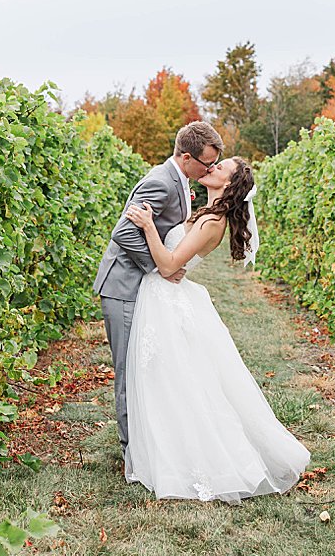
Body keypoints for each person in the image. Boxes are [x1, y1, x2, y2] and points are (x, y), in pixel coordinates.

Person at [120, 156, 311, 503]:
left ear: (229, 184)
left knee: (182, 384)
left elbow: (168, 266)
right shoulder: (202, 211)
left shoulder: (212, 222)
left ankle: (197, 461)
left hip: (167, 296)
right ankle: (167, 450)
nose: (212, 168)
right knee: (168, 383)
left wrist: (148, 226)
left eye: (220, 168)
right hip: (163, 299)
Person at [93, 121, 224, 456]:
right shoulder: (159, 182)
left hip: (145, 288)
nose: (209, 169)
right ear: (185, 157)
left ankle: (148, 444)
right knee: (127, 371)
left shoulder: (180, 182)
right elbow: (123, 233)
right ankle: (131, 453)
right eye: (206, 163)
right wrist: (159, 268)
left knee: (146, 366)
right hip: (124, 286)